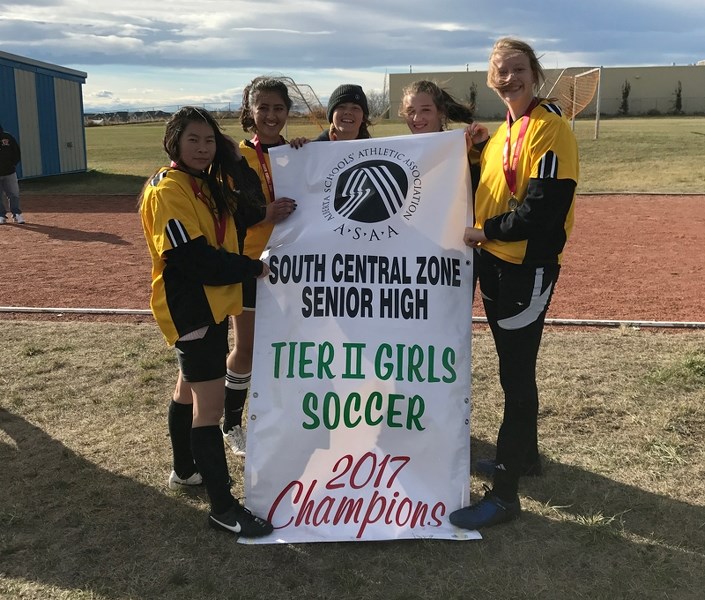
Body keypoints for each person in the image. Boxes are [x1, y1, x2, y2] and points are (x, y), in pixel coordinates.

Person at [449, 38, 579, 530]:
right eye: (500, 70)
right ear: (489, 77)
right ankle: (526, 459)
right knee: (513, 367)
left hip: (527, 266)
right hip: (497, 264)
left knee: (516, 376)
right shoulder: (507, 129)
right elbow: (494, 183)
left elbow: (543, 212)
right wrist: (474, 152)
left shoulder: (551, 128)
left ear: (535, 73)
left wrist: (486, 232)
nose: (509, 78)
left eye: (518, 69)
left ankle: (505, 493)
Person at [139, 106, 274, 537]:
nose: (201, 148)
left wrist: (233, 159)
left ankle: (184, 470)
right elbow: (191, 258)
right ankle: (222, 505)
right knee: (209, 409)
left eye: (209, 140)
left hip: (213, 304)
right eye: (193, 139)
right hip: (192, 306)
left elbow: (250, 211)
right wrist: (248, 268)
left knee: (188, 389)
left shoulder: (208, 183)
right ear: (174, 141)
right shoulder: (167, 189)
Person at [221, 76, 299, 456]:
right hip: (251, 265)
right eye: (263, 107)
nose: (271, 115)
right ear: (250, 111)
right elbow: (229, 213)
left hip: (296, 269)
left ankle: (286, 418)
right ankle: (231, 423)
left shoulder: (298, 153)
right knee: (247, 346)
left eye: (278, 108)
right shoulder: (234, 157)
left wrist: (306, 153)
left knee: (293, 347)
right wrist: (265, 213)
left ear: (288, 112)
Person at [399, 79, 486, 190]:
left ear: (440, 112)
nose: (417, 118)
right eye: (410, 111)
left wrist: (481, 146)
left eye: (425, 110)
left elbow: (480, 190)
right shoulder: (399, 155)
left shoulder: (465, 147)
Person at [0, 123, 24, 224]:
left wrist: (12, 164)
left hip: (9, 172)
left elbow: (16, 152)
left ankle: (16, 214)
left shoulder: (8, 137)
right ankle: (1, 215)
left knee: (14, 194)